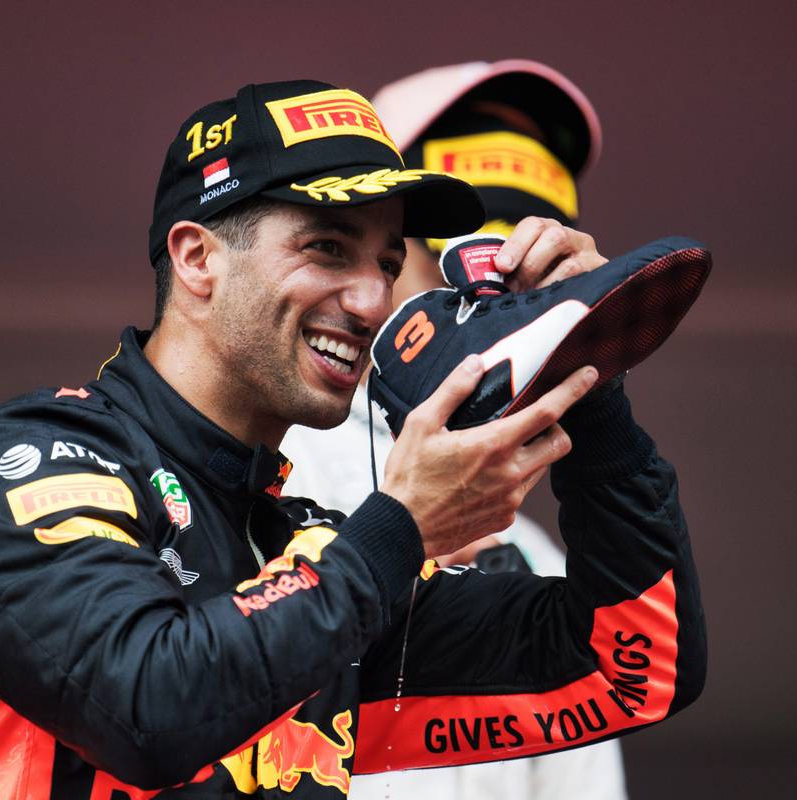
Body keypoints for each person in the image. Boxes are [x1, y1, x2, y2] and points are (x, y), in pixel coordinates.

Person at [0, 79, 706, 799]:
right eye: (327, 248)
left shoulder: (312, 552)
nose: (372, 300)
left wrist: (588, 375)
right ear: (197, 258)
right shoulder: (26, 460)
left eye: (388, 263)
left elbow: (631, 670)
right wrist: (400, 531)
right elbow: (144, 710)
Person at [281, 61, 628, 798]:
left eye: (522, 289)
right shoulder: (266, 471)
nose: (487, 310)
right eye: (459, 271)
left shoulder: (544, 567)